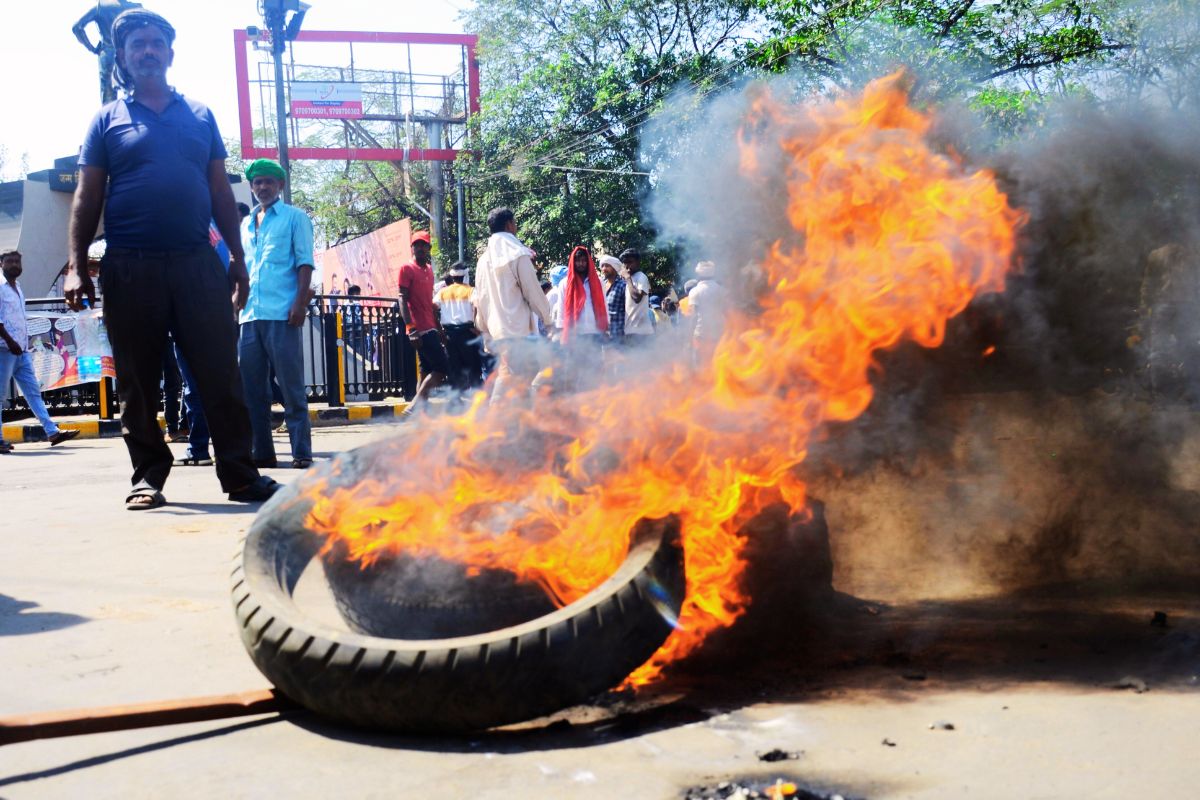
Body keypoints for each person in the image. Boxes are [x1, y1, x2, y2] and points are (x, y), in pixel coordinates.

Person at [65, 8, 278, 508]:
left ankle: (240, 474)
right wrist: (76, 266)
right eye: (137, 44)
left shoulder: (200, 115)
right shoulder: (106, 120)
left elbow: (221, 194)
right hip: (130, 266)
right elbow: (86, 195)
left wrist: (238, 259)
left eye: (155, 43)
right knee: (137, 380)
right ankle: (147, 476)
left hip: (195, 263)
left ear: (170, 53)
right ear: (123, 56)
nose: (147, 50)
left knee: (220, 371)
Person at [238, 158, 315, 470]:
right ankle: (262, 453)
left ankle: (301, 452)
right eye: (257, 183)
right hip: (249, 317)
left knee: (291, 387)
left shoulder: (295, 218)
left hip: (282, 314)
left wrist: (299, 303)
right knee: (252, 391)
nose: (262, 187)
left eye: (268, 181)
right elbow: (244, 269)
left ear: (280, 185)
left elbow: (305, 262)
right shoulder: (245, 224)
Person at [0, 251, 82, 453]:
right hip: (4, 349)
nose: (14, 265)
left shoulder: (17, 287)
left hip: (21, 350)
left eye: (17, 261)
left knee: (33, 392)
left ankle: (52, 432)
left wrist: (21, 343)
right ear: (1, 263)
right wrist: (10, 342)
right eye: (9, 261)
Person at [473, 207, 552, 405]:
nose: (515, 226)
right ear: (509, 224)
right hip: (517, 330)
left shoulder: (482, 261)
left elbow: (480, 298)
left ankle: (519, 426)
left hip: (498, 331)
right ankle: (495, 423)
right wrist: (548, 319)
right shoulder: (517, 253)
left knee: (517, 377)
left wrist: (485, 330)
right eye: (515, 223)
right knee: (514, 376)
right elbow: (533, 291)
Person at [399, 230, 450, 413]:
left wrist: (440, 329)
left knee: (426, 368)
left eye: (423, 245)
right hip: (419, 328)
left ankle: (420, 411)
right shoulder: (407, 268)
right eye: (416, 245)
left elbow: (429, 303)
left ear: (429, 248)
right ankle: (415, 405)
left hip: (431, 326)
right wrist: (410, 328)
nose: (420, 248)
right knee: (442, 367)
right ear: (412, 247)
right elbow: (402, 299)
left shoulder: (429, 270)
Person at [72, 0, 143, 103]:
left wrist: (92, 48)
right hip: (130, 55)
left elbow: (76, 27)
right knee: (134, 95)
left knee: (108, 101)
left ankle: (109, 117)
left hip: (107, 55)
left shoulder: (101, 6)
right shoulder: (137, 8)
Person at [433, 263, 483, 390]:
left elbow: (431, 308)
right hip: (468, 334)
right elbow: (478, 305)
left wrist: (440, 331)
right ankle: (476, 401)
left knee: (455, 371)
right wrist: (477, 326)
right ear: (465, 275)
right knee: (474, 369)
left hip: (449, 336)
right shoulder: (471, 290)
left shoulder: (443, 292)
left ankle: (456, 402)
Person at [688, 261, 728, 365]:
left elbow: (693, 316)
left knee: (700, 364)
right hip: (718, 333)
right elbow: (726, 312)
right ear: (713, 274)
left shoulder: (695, 291)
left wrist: (688, 336)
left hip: (700, 335)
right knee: (717, 364)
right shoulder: (722, 290)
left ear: (698, 274)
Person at [619, 248, 654, 342]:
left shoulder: (641, 277)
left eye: (630, 262)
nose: (627, 265)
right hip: (630, 330)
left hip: (641, 332)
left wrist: (627, 278)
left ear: (638, 262)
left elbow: (636, 298)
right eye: (625, 262)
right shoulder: (629, 279)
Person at [598, 255, 626, 342]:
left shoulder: (623, 285)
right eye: (602, 266)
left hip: (618, 334)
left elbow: (628, 310)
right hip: (603, 334)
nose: (604, 268)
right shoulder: (601, 285)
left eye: (607, 266)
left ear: (614, 267)